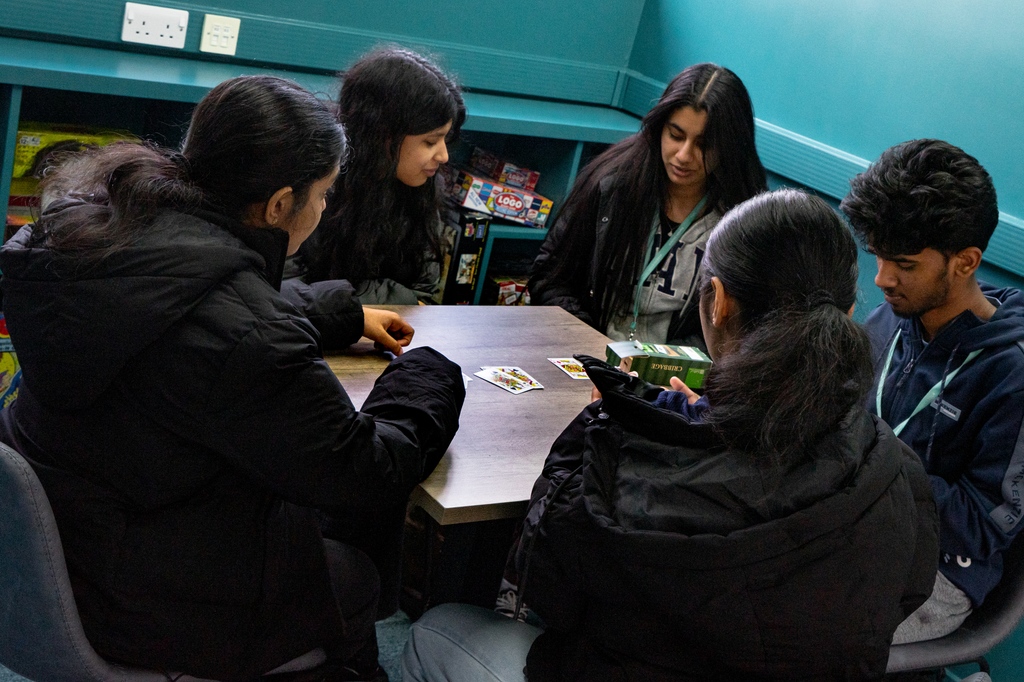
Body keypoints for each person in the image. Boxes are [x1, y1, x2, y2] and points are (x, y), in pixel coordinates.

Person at [0, 75, 466, 681]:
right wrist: (433, 374)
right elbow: (367, 470)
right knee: (352, 570)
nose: (324, 211)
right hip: (151, 606)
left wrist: (341, 311)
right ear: (278, 205)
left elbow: (186, 302)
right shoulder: (252, 340)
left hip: (60, 556)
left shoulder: (100, 233)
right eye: (323, 196)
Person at [403, 189, 939, 681]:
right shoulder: (894, 464)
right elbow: (906, 590)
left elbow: (546, 579)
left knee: (434, 631)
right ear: (846, 312)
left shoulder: (643, 466)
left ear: (719, 301)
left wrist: (603, 425)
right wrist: (703, 420)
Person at [840, 139, 1024, 645]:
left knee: (771, 619)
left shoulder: (1012, 373)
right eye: (877, 256)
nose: (881, 279)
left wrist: (867, 453)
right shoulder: (896, 315)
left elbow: (984, 527)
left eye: (904, 263)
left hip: (936, 573)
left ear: (965, 262)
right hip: (847, 524)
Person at [528, 62, 767, 348]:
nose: (683, 155)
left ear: (730, 147)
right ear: (659, 128)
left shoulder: (745, 220)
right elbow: (549, 277)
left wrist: (672, 365)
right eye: (675, 135)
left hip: (679, 380)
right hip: (589, 356)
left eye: (703, 144)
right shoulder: (610, 185)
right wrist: (593, 349)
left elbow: (743, 326)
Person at [291, 46, 466, 305]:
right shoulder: (311, 180)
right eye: (430, 142)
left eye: (445, 140)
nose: (443, 156)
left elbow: (424, 294)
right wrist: (392, 296)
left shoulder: (422, 188)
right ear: (382, 137)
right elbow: (287, 293)